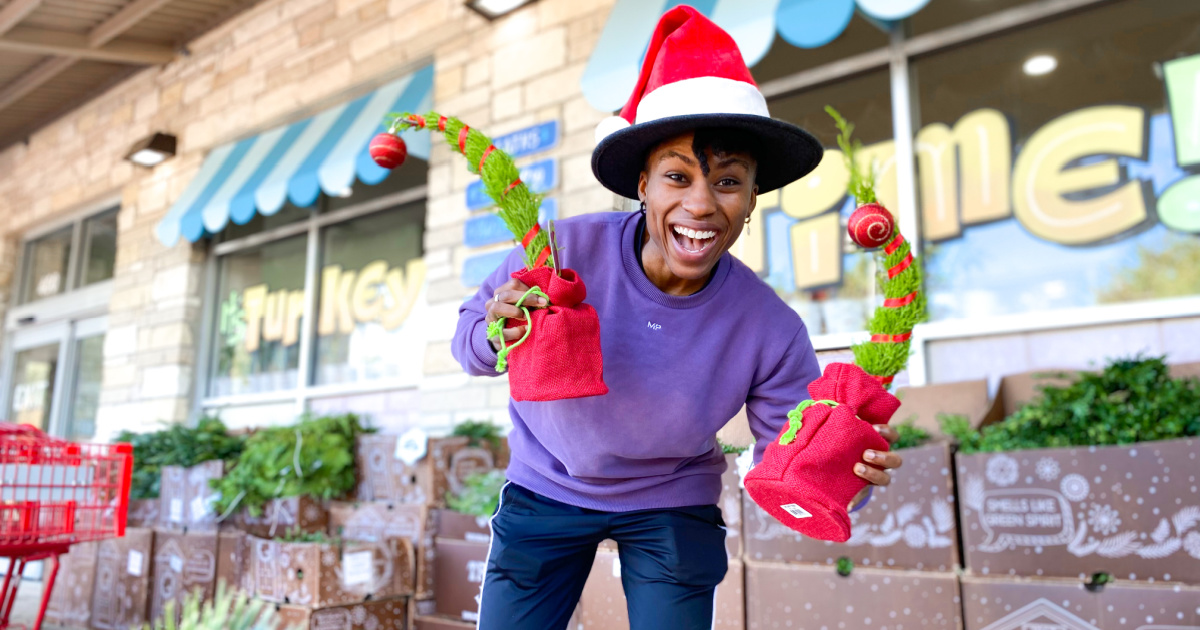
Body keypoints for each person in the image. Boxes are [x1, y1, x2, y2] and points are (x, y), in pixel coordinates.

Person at [451, 6, 903, 630]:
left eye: (727, 181)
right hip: (546, 483)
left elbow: (789, 449)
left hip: (671, 500)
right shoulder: (556, 252)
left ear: (750, 200)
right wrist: (496, 333)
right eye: (677, 175)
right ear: (643, 183)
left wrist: (842, 466)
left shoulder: (769, 327)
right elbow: (468, 345)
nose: (700, 203)